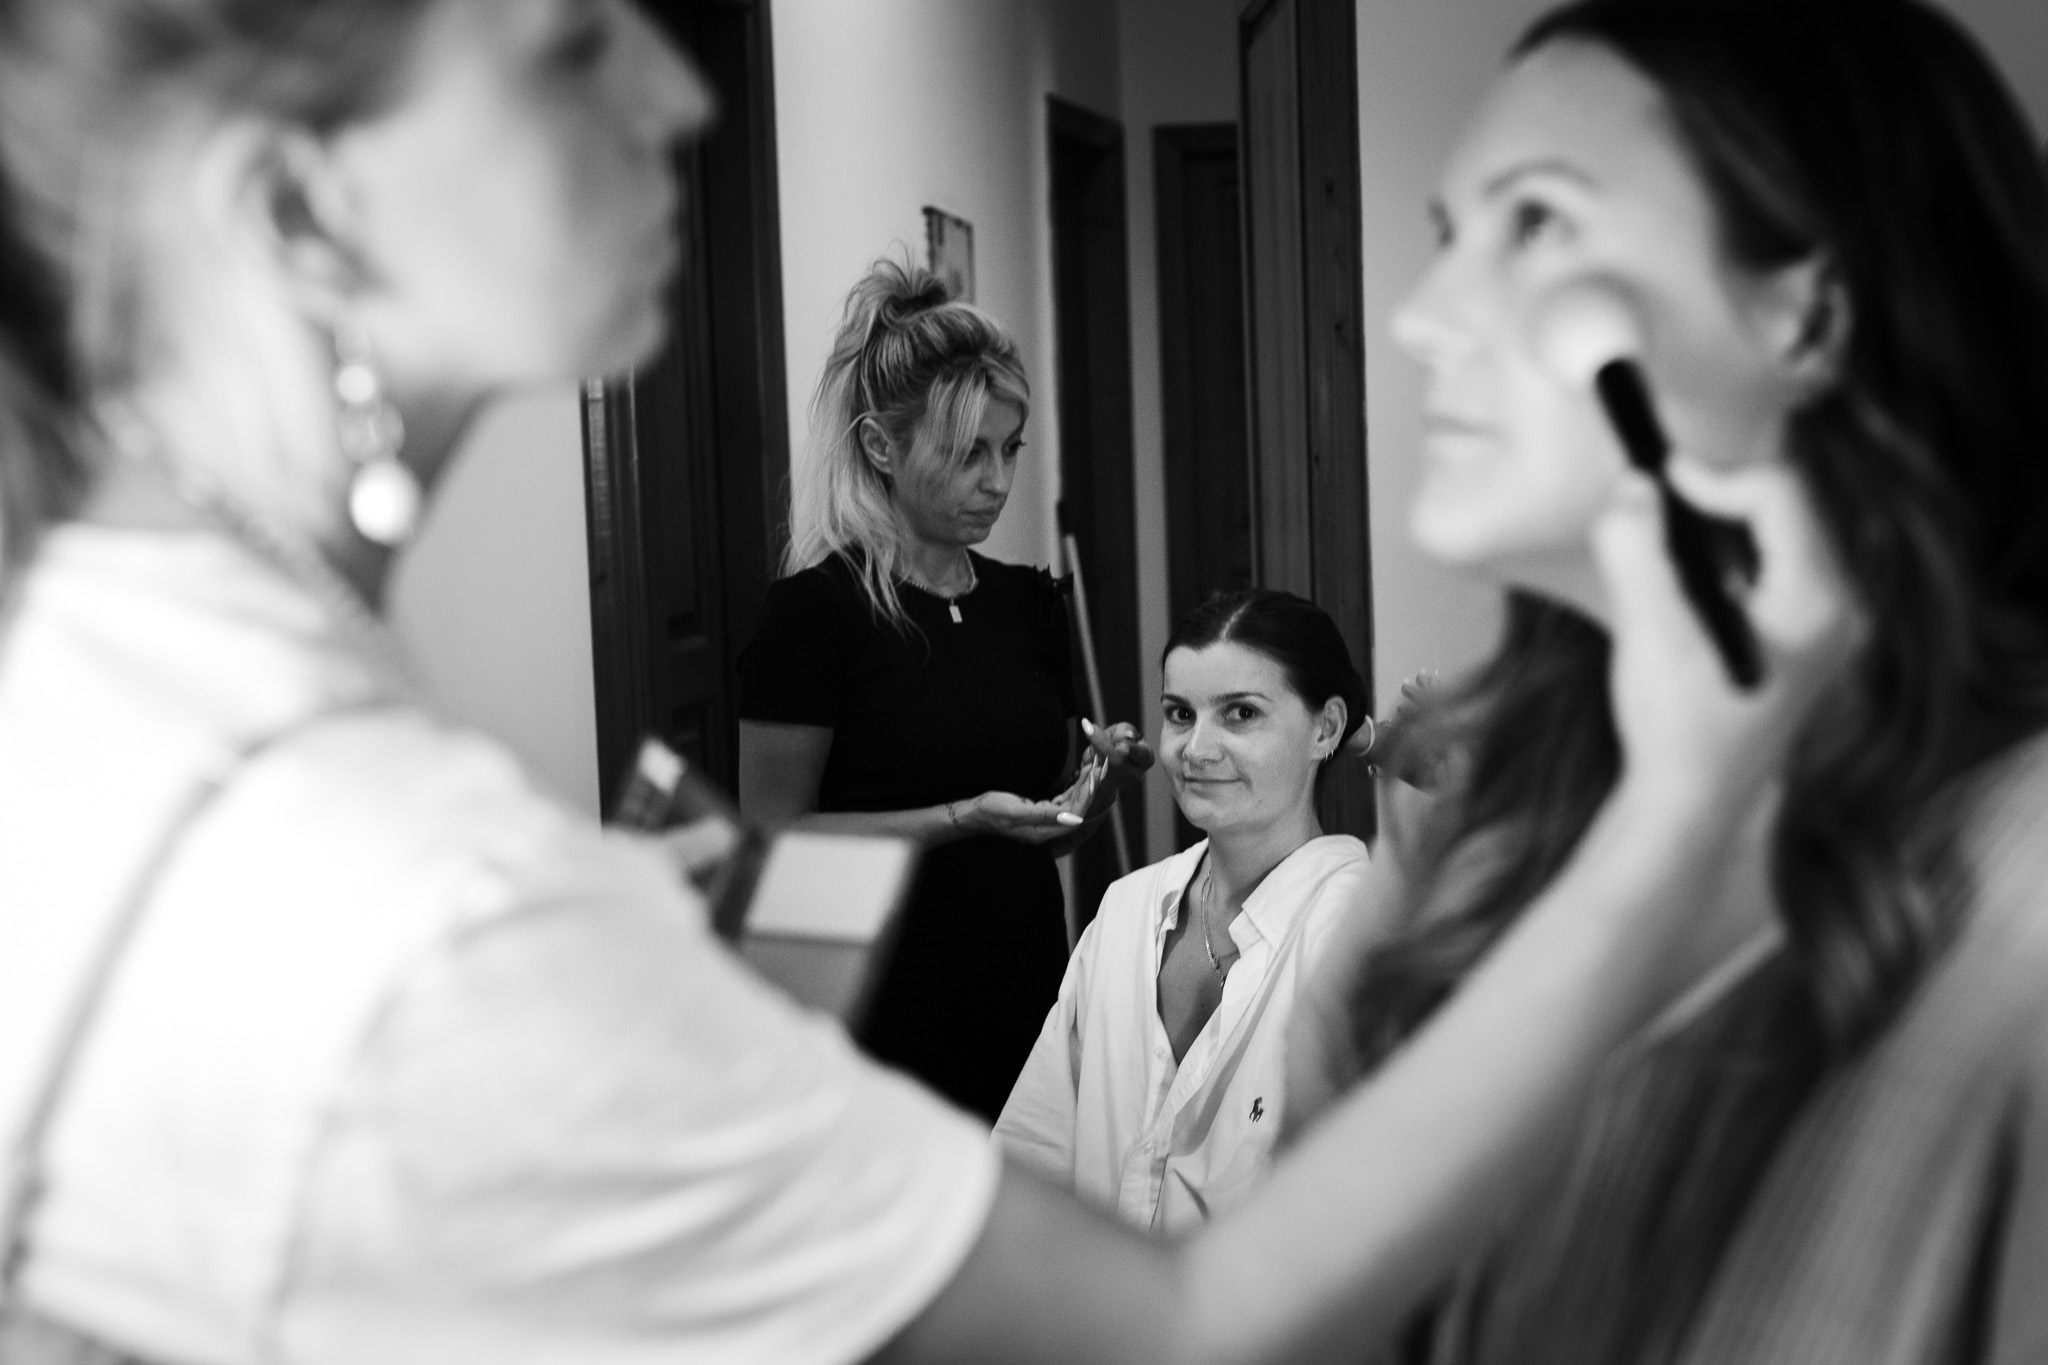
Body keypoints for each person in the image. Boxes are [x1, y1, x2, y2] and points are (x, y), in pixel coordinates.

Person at [0, 0, 1859, 1361]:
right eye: (573, 39)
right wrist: (1682, 796)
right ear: (304, 211)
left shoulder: (111, 671)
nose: (673, 83)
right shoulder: (415, 895)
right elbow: (1189, 1324)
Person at [1281, 1, 2048, 1360]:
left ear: (1806, 317)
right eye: (1453, 236)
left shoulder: (2022, 901)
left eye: (1539, 226)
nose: (1416, 316)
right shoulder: (1471, 839)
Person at [737, 258, 1147, 1121]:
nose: (997, 482)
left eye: (1009, 449)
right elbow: (771, 841)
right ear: (882, 447)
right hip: (879, 1018)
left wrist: (1093, 792)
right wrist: (958, 819)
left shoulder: (1029, 604)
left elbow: (1047, 841)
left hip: (1025, 1004)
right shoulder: (815, 617)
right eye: (968, 454)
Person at [996, 590, 1372, 1233]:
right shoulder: (1127, 910)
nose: (1196, 749)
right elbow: (1033, 1155)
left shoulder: (1356, 933)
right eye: (1179, 713)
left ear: (1326, 728)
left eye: (1241, 714)